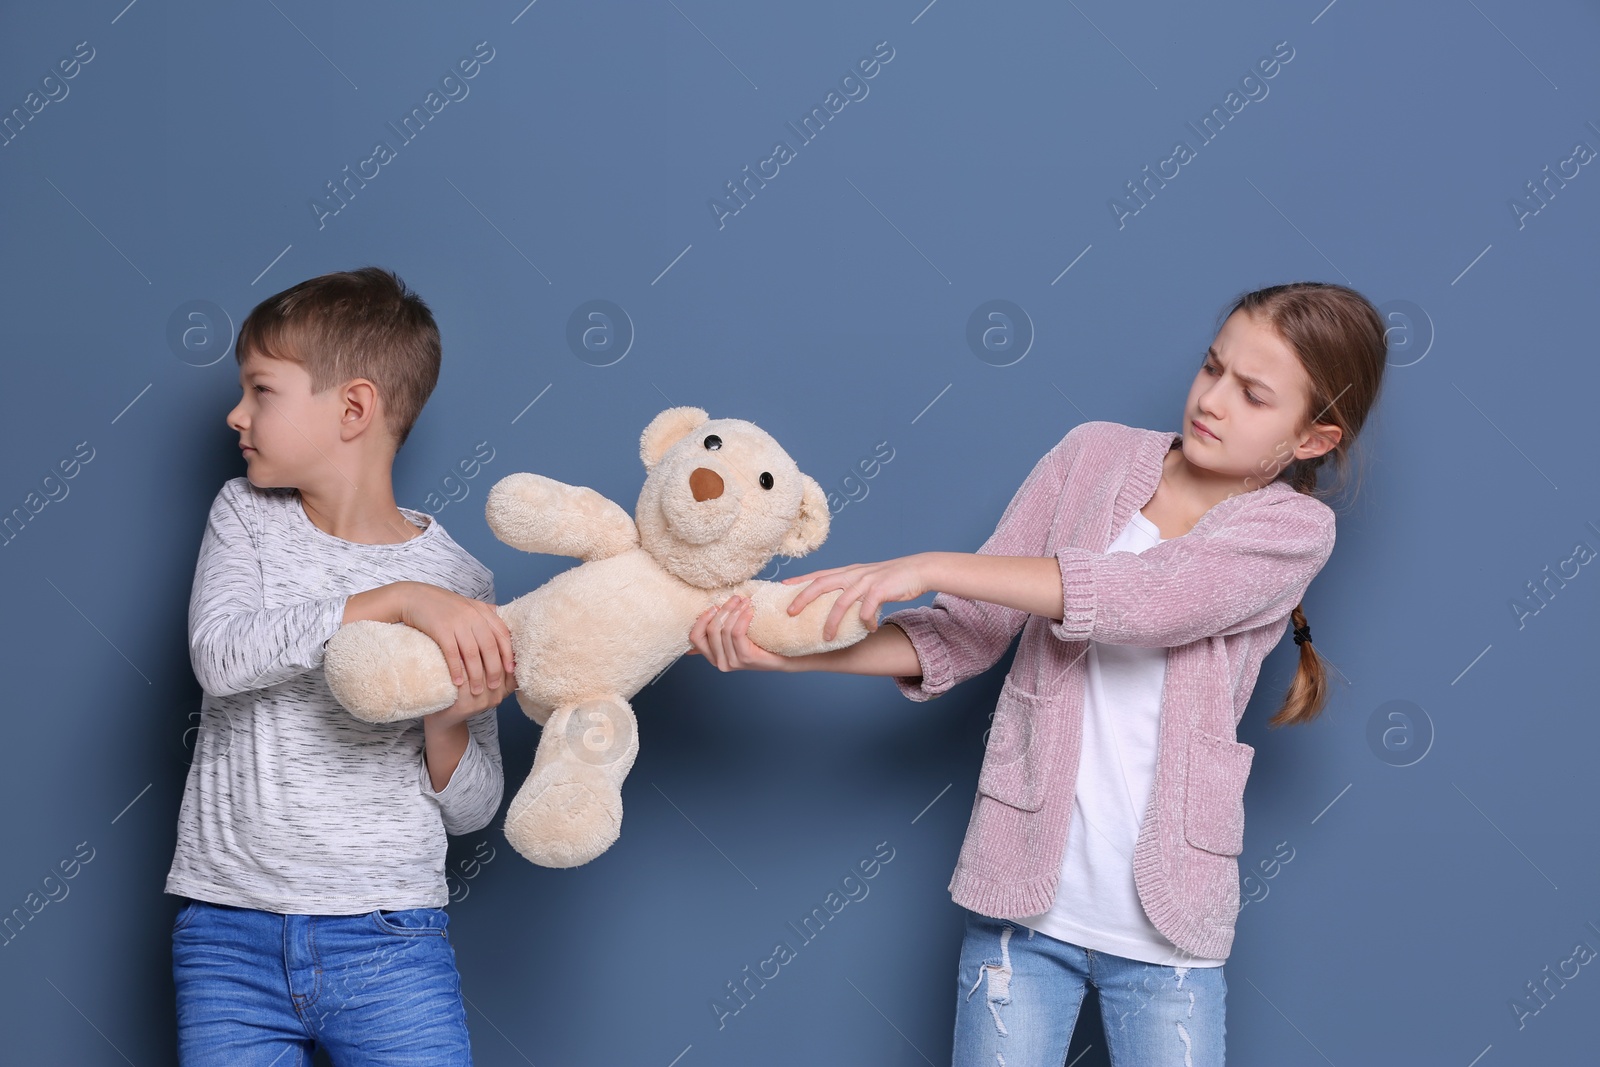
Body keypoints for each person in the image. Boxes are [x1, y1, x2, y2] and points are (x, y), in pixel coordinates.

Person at [686, 282, 1387, 1066]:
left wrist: (928, 563)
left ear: (1313, 440)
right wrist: (786, 652)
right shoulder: (1091, 456)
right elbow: (964, 633)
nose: (1213, 400)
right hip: (1021, 917)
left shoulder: (1290, 529)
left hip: (1169, 939)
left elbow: (1144, 598)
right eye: (1212, 366)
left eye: (1254, 395)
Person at [167, 266, 516, 1066]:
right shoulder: (245, 518)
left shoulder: (462, 583)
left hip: (391, 936)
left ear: (353, 408)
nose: (236, 414)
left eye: (260, 391)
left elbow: (473, 810)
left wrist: (448, 717)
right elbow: (221, 656)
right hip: (230, 931)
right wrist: (391, 599)